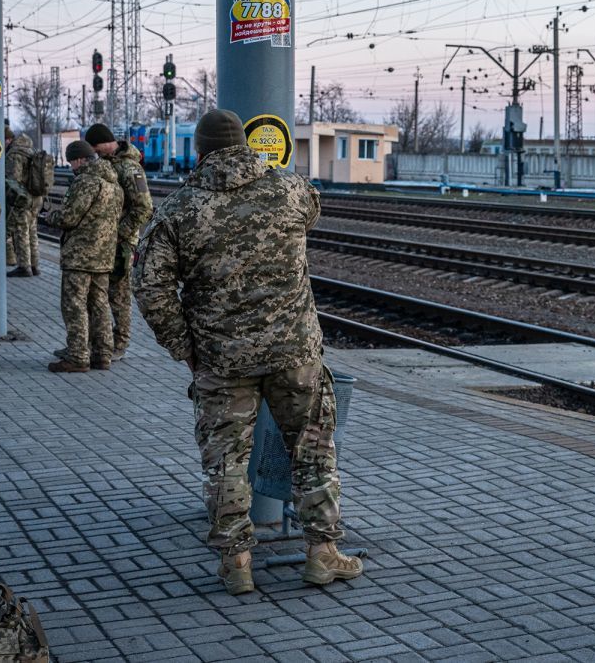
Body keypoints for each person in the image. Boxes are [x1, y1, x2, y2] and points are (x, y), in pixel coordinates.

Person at [132, 109, 362, 595]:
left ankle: (236, 562)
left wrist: (183, 347)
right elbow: (313, 213)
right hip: (295, 352)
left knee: (225, 461)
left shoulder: (178, 209)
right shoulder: (291, 190)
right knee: (313, 451)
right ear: (247, 145)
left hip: (220, 359)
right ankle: (323, 554)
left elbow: (149, 288)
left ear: (199, 150)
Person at [46, 141, 123, 373]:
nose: (71, 167)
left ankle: (78, 356)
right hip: (104, 255)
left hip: (80, 256)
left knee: (75, 305)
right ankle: (102, 355)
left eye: (71, 162)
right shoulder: (114, 184)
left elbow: (69, 217)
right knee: (99, 304)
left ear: (80, 159)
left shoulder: (86, 182)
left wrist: (52, 215)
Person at [84, 123, 153, 361]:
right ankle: (99, 342)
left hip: (121, 243)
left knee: (119, 294)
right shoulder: (109, 164)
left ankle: (120, 343)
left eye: (96, 147)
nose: (95, 152)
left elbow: (144, 207)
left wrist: (120, 233)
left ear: (105, 142)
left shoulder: (129, 168)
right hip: (104, 242)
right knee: (99, 293)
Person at [4, 127, 41, 277]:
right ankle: (34, 265)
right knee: (32, 232)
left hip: (23, 198)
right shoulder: (30, 149)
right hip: (36, 198)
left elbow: (13, 180)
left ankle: (24, 267)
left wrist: (12, 197)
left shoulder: (14, 154)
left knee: (21, 232)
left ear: (7, 139)